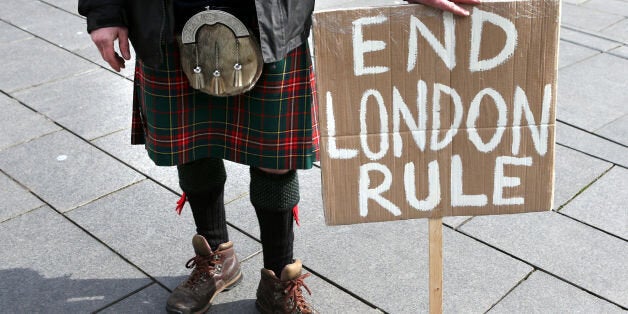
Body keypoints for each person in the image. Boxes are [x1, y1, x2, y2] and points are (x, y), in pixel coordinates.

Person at [78, 0, 478, 313]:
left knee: (276, 157)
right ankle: (216, 258)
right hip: (165, 19)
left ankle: (277, 280)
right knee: (192, 145)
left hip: (270, 21)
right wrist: (104, 9)